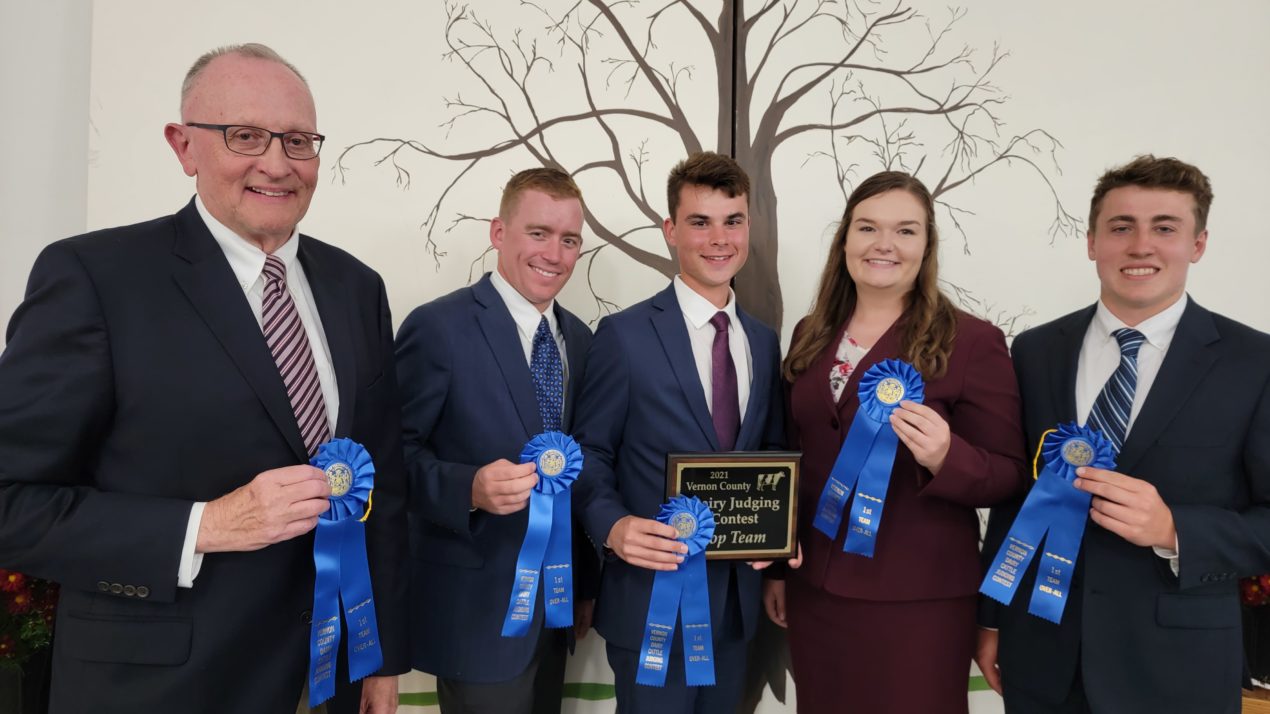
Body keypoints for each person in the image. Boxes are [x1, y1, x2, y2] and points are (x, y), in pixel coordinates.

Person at [0, 44, 406, 713]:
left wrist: (382, 652)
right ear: (184, 146)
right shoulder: (97, 278)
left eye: (299, 141)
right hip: (162, 687)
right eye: (245, 135)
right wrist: (204, 526)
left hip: (332, 675)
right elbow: (12, 499)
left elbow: (381, 485)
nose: (277, 163)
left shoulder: (356, 288)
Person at [976, 155, 1270, 714]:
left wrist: (1175, 529)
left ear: (1198, 244)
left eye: (1165, 227)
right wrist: (991, 615)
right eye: (1120, 227)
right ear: (1091, 242)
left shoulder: (1255, 362)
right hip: (1042, 654)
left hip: (1178, 668)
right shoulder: (1035, 351)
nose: (1141, 246)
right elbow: (1019, 495)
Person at [769, 171, 1028, 713]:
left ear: (926, 246)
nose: (884, 244)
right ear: (845, 241)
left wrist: (945, 458)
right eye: (868, 227)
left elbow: (1008, 473)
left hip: (920, 599)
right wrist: (775, 564)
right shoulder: (810, 333)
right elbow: (791, 455)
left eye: (905, 231)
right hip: (815, 592)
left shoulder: (973, 341)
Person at [572, 151, 786, 713]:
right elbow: (591, 453)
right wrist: (612, 527)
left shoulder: (763, 342)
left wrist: (777, 537)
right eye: (700, 221)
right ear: (670, 230)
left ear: (748, 227)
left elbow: (769, 456)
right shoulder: (622, 336)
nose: (719, 239)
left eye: (732, 220)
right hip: (650, 604)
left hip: (738, 607)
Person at [394, 168, 599, 714]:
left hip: (556, 614)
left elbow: (580, 475)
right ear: (498, 233)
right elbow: (392, 459)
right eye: (538, 233)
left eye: (570, 239)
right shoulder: (438, 328)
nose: (554, 254)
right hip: (476, 614)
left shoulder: (580, 340)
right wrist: (468, 489)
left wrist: (585, 583)